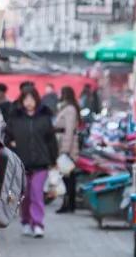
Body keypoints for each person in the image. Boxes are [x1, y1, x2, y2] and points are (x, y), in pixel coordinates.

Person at [5, 88, 58, 238]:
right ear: (22, 101)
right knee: (25, 195)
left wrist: (54, 160)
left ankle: (38, 224)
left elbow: (51, 141)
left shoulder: (44, 117)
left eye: (31, 99)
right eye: (26, 99)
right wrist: (11, 145)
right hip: (22, 164)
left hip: (41, 163)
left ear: (37, 100)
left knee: (36, 193)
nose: (29, 102)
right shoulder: (15, 118)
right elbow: (6, 138)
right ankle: (26, 222)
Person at [53, 86, 81, 214]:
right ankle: (69, 204)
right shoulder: (67, 107)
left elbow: (69, 130)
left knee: (67, 178)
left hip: (67, 147)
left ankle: (68, 204)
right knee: (67, 177)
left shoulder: (69, 109)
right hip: (64, 144)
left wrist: (65, 150)